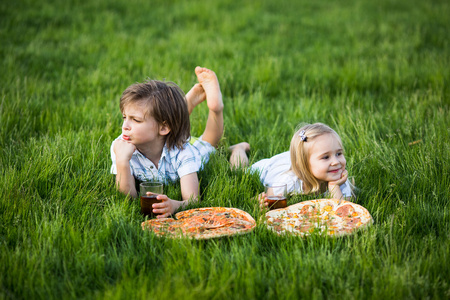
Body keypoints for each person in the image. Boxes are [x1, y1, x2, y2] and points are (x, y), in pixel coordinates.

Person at [110, 66, 245, 217]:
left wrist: (175, 205)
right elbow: (128, 199)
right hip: (164, 134)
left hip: (177, 143)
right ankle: (184, 105)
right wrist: (122, 161)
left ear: (163, 128)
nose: (124, 126)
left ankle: (217, 110)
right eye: (124, 117)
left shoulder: (183, 152)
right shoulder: (121, 147)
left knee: (209, 145)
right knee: (167, 120)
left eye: (135, 120)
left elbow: (193, 200)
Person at [230, 123, 354, 209]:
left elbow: (342, 211)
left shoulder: (338, 178)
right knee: (239, 171)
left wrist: (333, 187)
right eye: (326, 157)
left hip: (294, 161)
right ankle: (238, 148)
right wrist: (259, 203)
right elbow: (265, 202)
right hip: (272, 167)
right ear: (303, 165)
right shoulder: (288, 181)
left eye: (339, 153)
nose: (336, 162)